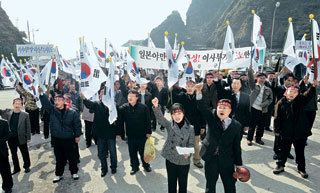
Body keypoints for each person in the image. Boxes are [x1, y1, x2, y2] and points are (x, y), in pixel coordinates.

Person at [195, 83, 243, 193]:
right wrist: (198, 92)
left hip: (227, 160)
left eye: (225, 108)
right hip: (211, 158)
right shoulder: (212, 117)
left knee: (230, 186)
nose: (222, 109)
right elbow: (202, 107)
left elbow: (236, 146)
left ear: (230, 111)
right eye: (220, 107)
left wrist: (239, 164)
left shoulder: (236, 126)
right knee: (210, 185)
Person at [273, 81, 319, 178]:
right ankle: (280, 165)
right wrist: (277, 130)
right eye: (290, 92)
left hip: (300, 132)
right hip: (286, 132)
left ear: (298, 94)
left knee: (300, 152)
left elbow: (309, 94)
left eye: (294, 92)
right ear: (286, 92)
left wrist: (313, 86)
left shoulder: (301, 100)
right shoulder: (281, 102)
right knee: (284, 150)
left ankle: (301, 169)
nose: (292, 94)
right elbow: (277, 117)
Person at [39, 88, 82, 183]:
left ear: (64, 101)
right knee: (59, 158)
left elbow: (77, 124)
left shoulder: (72, 112)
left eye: (59, 100)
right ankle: (59, 174)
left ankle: (74, 172)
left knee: (72, 157)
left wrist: (77, 135)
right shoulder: (52, 111)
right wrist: (42, 94)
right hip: (57, 139)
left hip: (69, 139)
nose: (57, 102)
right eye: (55, 100)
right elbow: (46, 104)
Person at [152, 98, 194, 193]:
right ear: (171, 115)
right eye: (174, 114)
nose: (177, 116)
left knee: (183, 185)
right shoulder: (169, 124)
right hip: (170, 158)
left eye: (179, 113)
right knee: (171, 183)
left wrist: (188, 154)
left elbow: (191, 144)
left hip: (184, 160)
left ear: (183, 113)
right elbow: (160, 118)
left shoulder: (191, 128)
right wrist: (156, 106)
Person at [81, 89, 119, 177]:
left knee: (112, 152)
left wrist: (118, 133)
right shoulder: (96, 104)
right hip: (100, 134)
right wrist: (83, 97)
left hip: (111, 133)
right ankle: (104, 169)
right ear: (99, 96)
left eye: (104, 93)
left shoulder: (113, 105)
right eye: (101, 93)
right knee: (101, 153)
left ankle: (114, 167)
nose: (102, 95)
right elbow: (88, 104)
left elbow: (118, 119)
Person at [172, 80, 206, 168]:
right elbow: (174, 96)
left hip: (196, 125)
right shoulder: (182, 96)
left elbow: (202, 112)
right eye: (188, 87)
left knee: (196, 144)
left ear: (195, 87)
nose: (190, 88)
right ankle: (183, 160)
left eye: (192, 86)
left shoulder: (198, 97)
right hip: (184, 125)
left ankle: (197, 160)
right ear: (185, 87)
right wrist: (174, 82)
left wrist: (203, 125)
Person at [118, 90, 152, 175]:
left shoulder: (143, 107)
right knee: (132, 153)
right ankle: (134, 167)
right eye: (129, 96)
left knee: (143, 152)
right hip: (130, 135)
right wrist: (119, 133)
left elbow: (147, 121)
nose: (130, 97)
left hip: (142, 135)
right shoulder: (124, 108)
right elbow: (120, 121)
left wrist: (148, 132)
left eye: (132, 96)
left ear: (137, 97)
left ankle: (146, 165)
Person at [0, 98, 31, 175]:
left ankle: (26, 166)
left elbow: (28, 127)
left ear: (21, 105)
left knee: (24, 153)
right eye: (16, 103)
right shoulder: (8, 113)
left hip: (21, 137)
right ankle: (16, 168)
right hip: (11, 138)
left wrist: (28, 138)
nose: (17, 105)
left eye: (19, 104)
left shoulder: (25, 115)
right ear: (13, 104)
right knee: (13, 154)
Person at [247, 66, 273, 146]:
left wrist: (264, 104)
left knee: (261, 126)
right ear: (257, 79)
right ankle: (249, 139)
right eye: (260, 78)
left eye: (263, 78)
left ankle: (258, 139)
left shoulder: (268, 89)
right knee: (252, 125)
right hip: (254, 108)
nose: (262, 80)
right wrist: (250, 72)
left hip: (263, 109)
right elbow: (251, 80)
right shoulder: (254, 86)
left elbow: (270, 99)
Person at [0, 119, 14, 193]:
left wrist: (1, 141)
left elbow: (9, 134)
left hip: (2, 151)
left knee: (5, 170)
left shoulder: (3, 123)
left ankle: (7, 187)